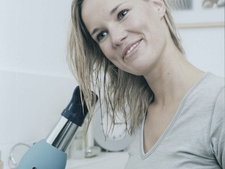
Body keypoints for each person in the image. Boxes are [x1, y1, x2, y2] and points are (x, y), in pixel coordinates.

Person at [67, 0, 224, 168]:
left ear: (158, 5)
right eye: (102, 35)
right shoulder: (140, 116)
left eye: (122, 14)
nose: (116, 38)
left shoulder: (218, 103)